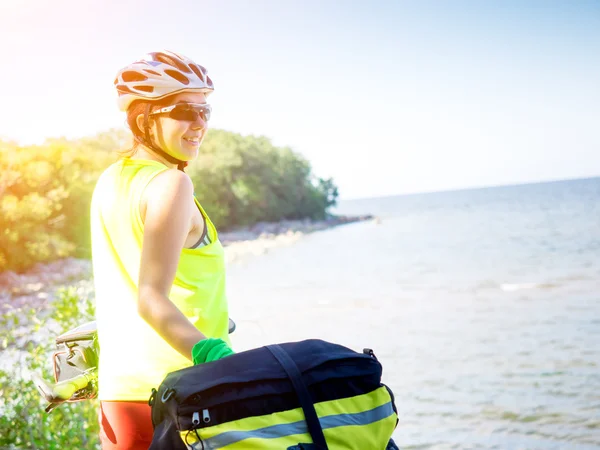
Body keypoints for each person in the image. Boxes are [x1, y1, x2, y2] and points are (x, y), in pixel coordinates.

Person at [90, 50, 234, 450]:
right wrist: (218, 355)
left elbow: (128, 274)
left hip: (120, 398)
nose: (199, 124)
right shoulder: (172, 185)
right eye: (184, 111)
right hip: (179, 394)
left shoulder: (109, 181)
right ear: (143, 119)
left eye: (205, 111)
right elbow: (150, 297)